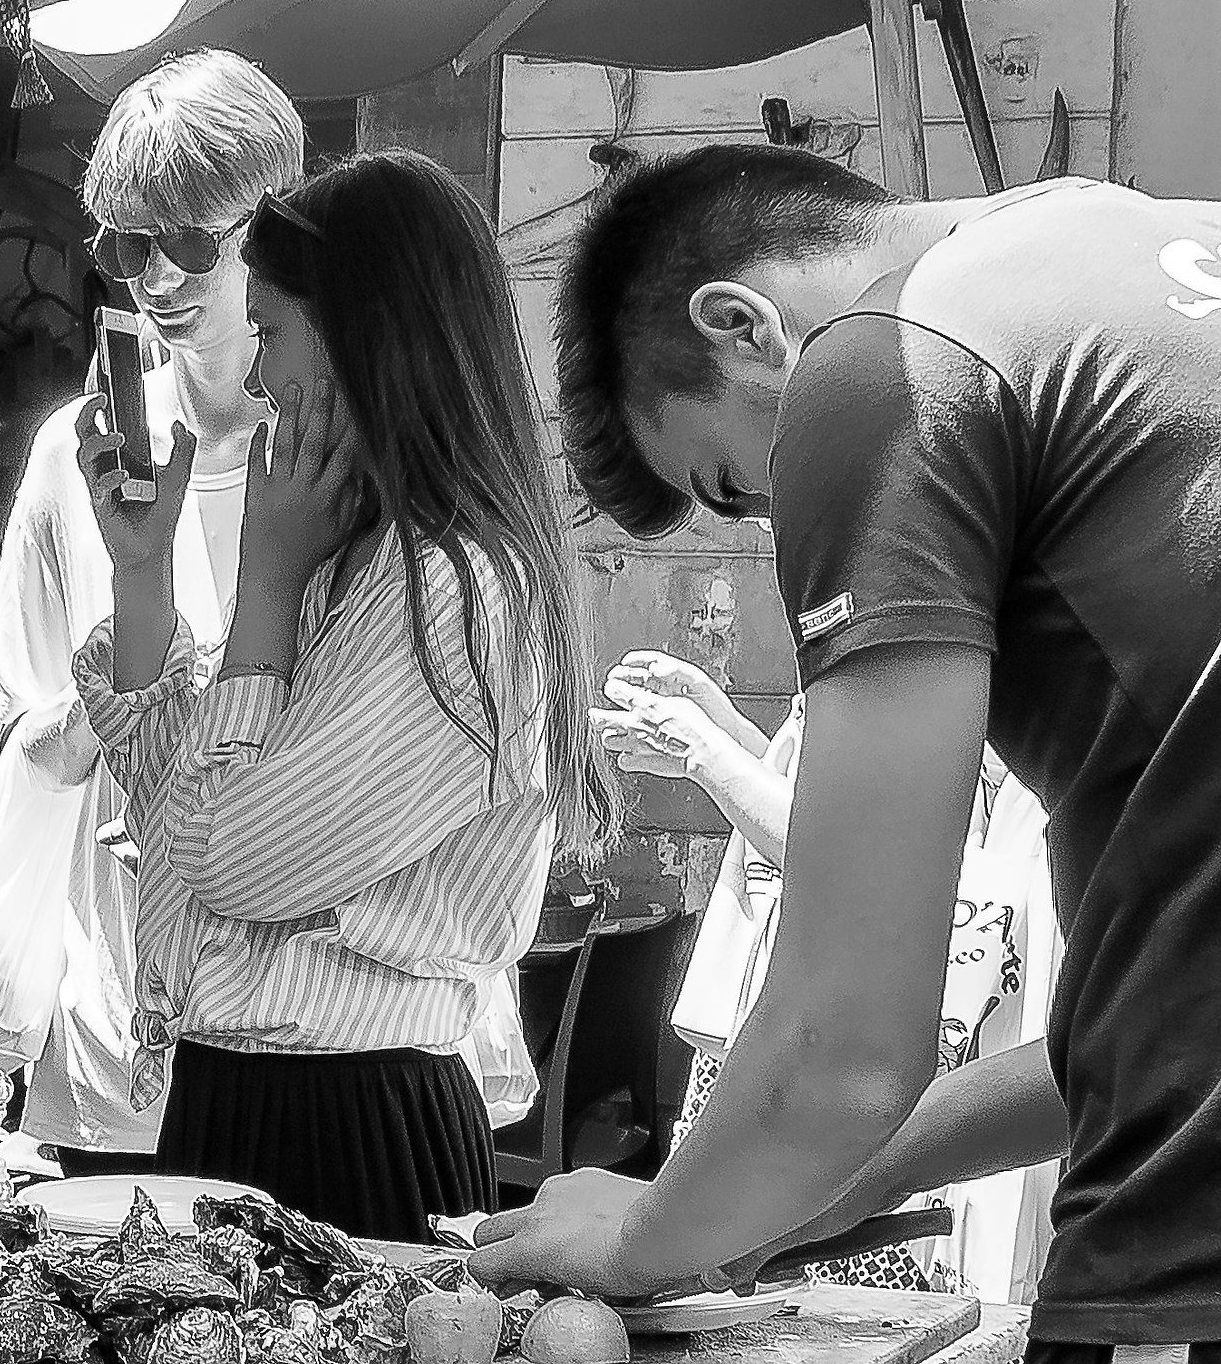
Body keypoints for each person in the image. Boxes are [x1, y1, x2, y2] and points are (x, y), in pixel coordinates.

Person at [468, 143, 1221, 1357]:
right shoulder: (1127, 242)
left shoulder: (885, 363)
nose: (777, 529)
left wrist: (641, 1240)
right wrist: (823, 1187)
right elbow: (1144, 1013)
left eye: (736, 489)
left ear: (745, 324)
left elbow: (845, 1045)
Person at [69, 148, 609, 1240]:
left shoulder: (458, 588)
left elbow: (234, 860)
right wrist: (142, 574)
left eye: (269, 332)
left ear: (371, 341)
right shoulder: (347, 560)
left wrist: (262, 583)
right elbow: (184, 832)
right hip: (241, 1099)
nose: (259, 379)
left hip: (350, 1120)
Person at [0, 48, 296, 1177]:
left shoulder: (337, 449)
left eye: (193, 241)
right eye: (128, 247)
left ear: (273, 234)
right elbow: (19, 750)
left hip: (292, 1022)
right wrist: (124, 713)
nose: (159, 279)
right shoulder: (72, 457)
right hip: (105, 1030)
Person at [597, 650, 1061, 1301]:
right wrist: (726, 731)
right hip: (802, 1033)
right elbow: (823, 809)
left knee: (825, 1297)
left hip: (861, 1051)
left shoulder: (931, 656)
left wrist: (706, 754)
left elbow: (867, 869)